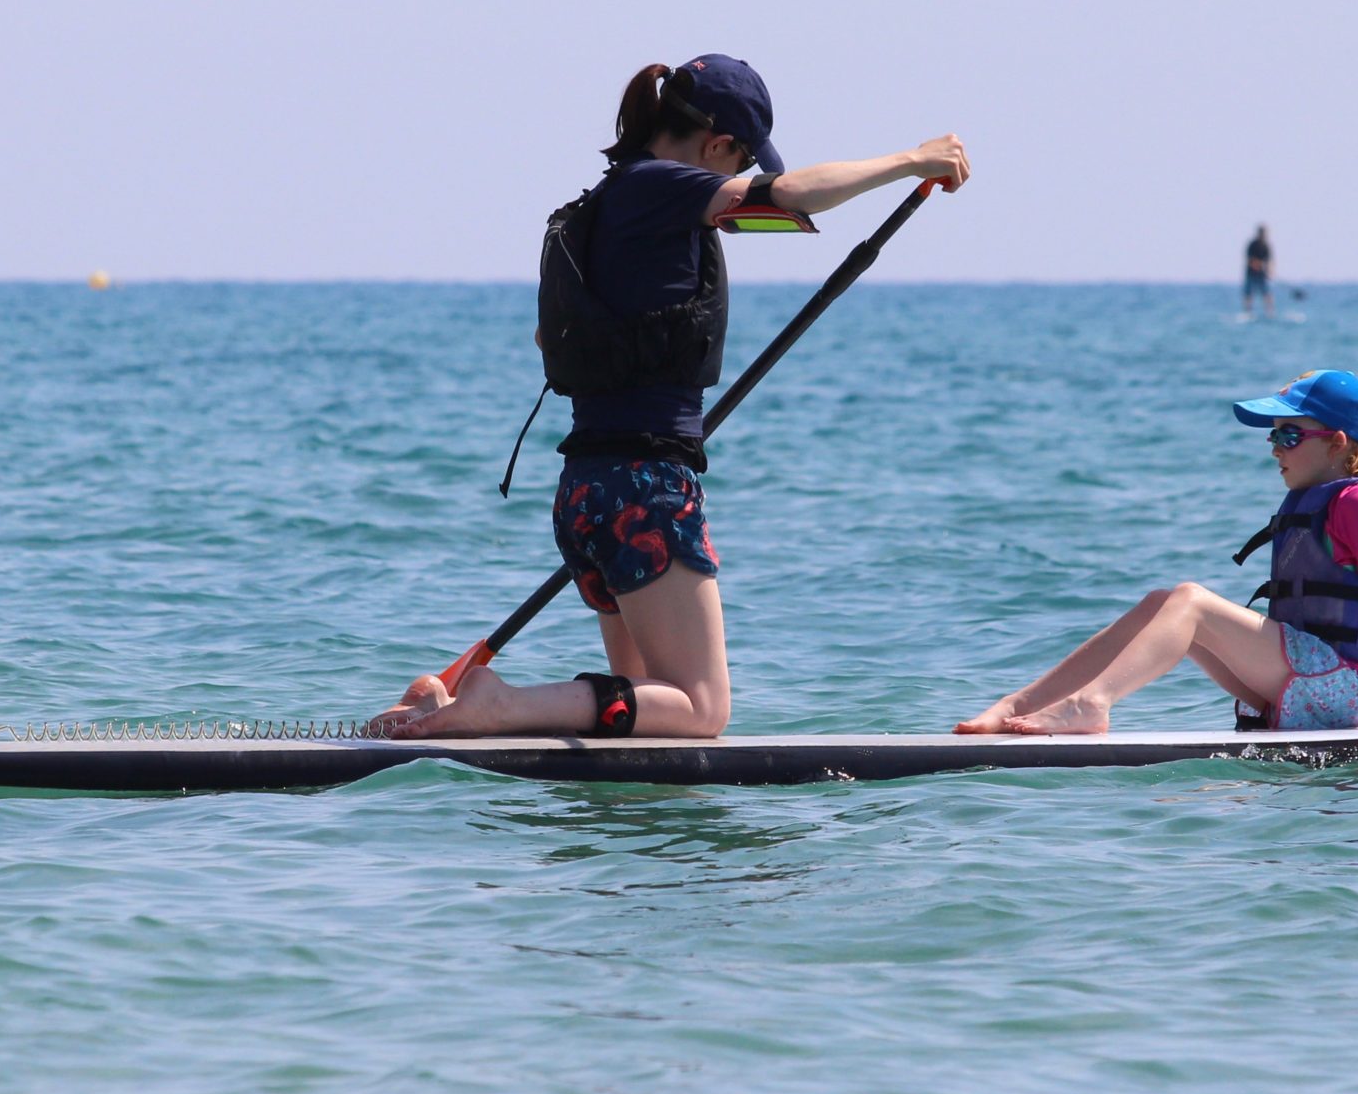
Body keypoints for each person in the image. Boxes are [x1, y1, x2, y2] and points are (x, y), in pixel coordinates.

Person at [379, 54, 970, 741]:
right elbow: (793, 194)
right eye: (740, 160)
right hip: (645, 491)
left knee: (647, 711)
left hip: (586, 490)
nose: (738, 177)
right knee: (700, 709)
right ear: (718, 146)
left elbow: (551, 337)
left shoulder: (601, 207)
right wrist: (913, 160)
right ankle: (498, 705)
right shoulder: (661, 187)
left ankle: (441, 704)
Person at [957, 369, 1358, 736]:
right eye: (1272, 435)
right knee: (1162, 601)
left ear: (1337, 443)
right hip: (1306, 677)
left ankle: (1090, 704)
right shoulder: (1318, 499)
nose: (1273, 447)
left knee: (1191, 602)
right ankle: (1016, 706)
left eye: (1290, 435)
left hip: (1345, 687)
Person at [1242, 224, 1274, 318]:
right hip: (1251, 273)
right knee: (1249, 293)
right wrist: (1257, 264)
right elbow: (1249, 259)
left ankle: (1270, 312)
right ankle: (1248, 312)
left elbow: (1269, 260)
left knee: (1267, 293)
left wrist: (1269, 271)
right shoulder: (1252, 245)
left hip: (1262, 275)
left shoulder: (1266, 246)